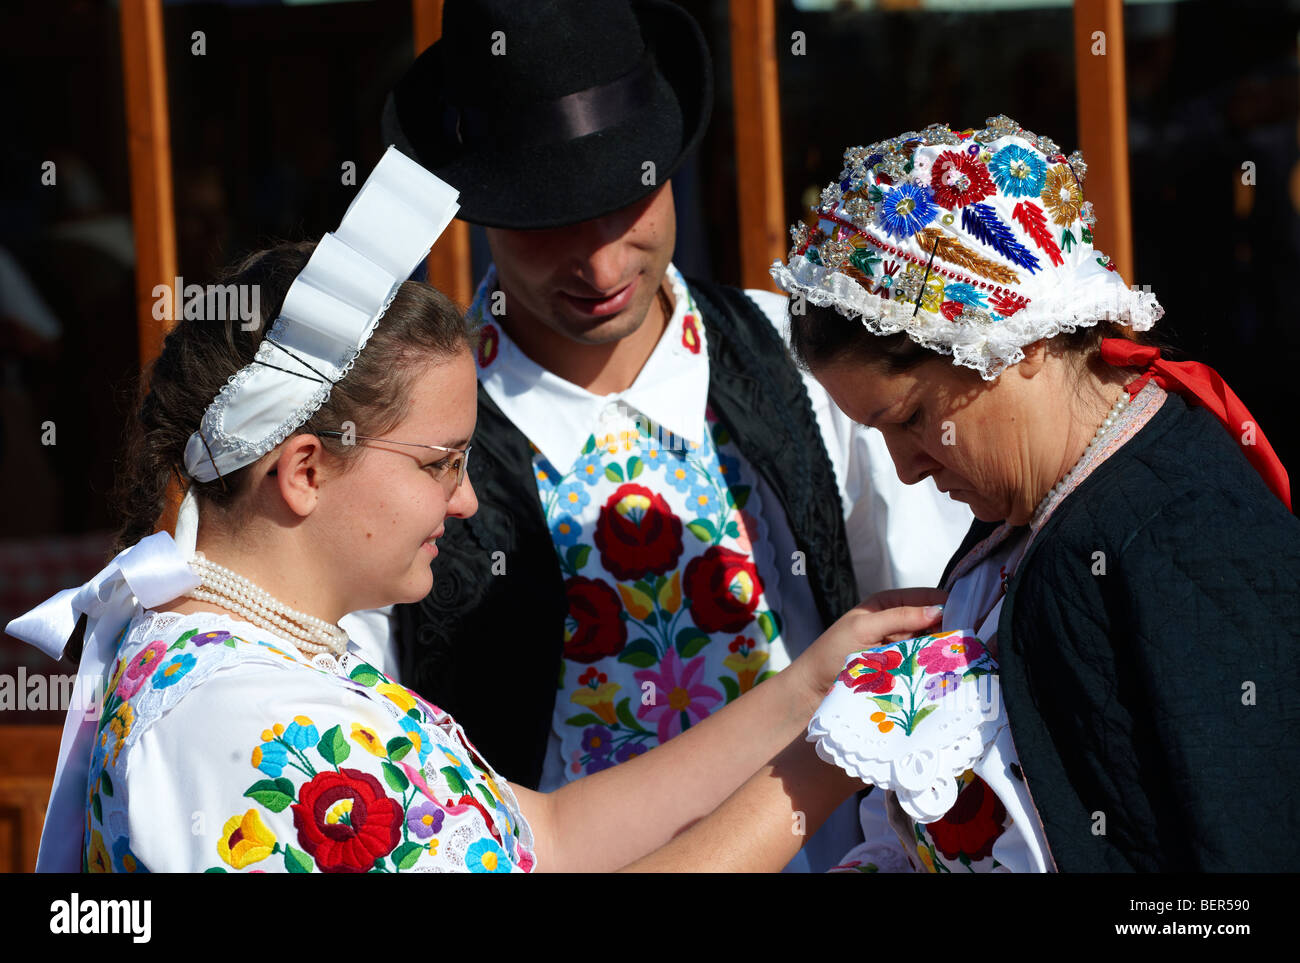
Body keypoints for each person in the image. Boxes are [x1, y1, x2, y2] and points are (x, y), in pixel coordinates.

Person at [6, 148, 945, 873]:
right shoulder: (252, 727)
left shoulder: (264, 665)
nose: (464, 499)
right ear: (304, 469)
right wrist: (828, 763)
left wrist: (811, 691)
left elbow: (554, 831)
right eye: (439, 462)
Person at [376, 0, 971, 871]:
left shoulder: (801, 360)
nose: (603, 263)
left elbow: (928, 615)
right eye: (548, 219)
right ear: (480, 206)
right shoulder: (412, 437)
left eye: (625, 197)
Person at [772, 116, 1300, 872]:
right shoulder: (1037, 510)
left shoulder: (1181, 530)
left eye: (912, 419)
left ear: (1014, 342)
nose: (909, 470)